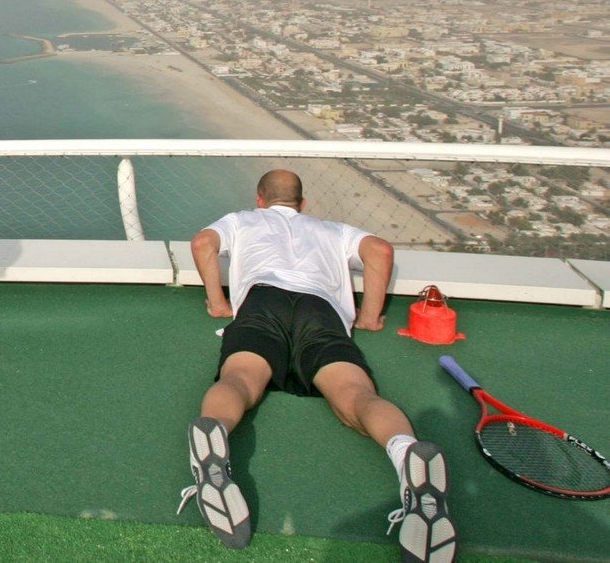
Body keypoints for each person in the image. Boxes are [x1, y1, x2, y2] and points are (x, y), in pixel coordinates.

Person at [179, 170, 456, 563]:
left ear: (260, 199)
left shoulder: (243, 220)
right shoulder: (332, 230)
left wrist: (218, 303)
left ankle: (215, 437)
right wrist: (370, 316)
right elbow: (380, 250)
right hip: (320, 311)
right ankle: (404, 451)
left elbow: (203, 243)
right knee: (355, 395)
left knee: (240, 379)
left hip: (263, 302)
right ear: (303, 203)